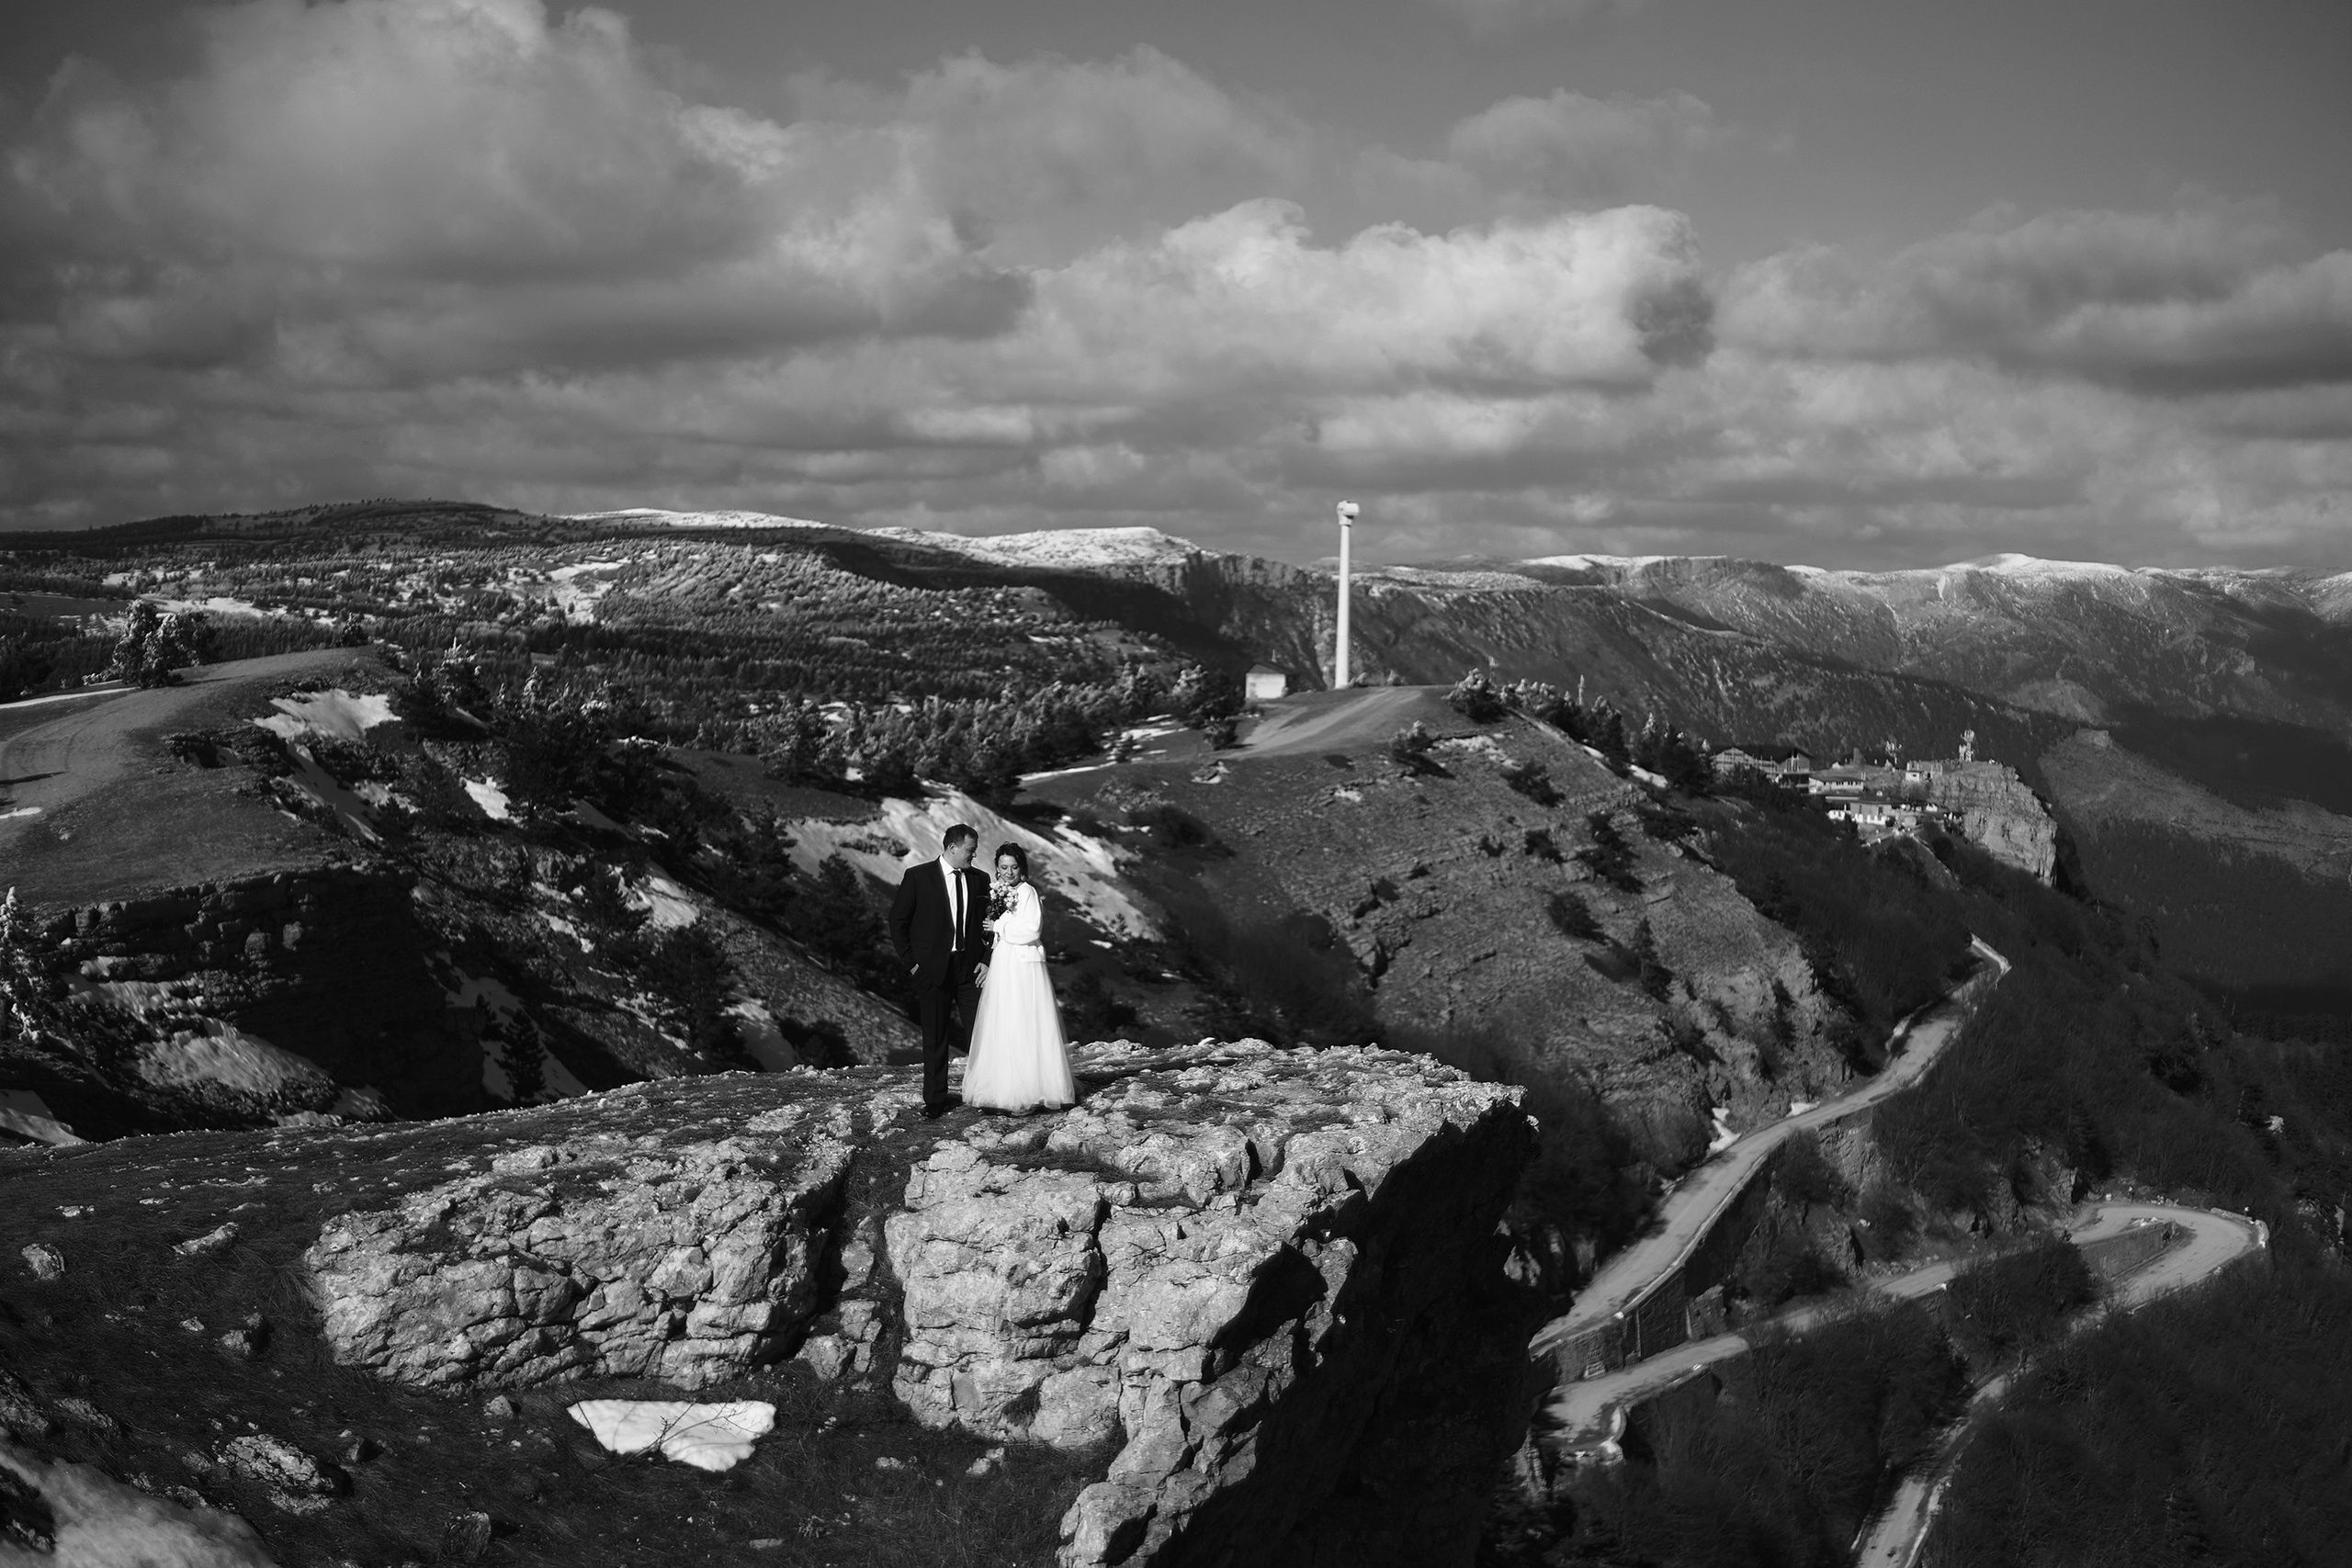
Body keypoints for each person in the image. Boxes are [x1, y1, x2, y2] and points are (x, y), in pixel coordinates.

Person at [961, 843, 1077, 1112]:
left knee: (1025, 1018)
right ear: (997, 868)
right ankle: (1005, 1085)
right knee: (1005, 1018)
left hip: (1023, 965)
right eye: (1003, 867)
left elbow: (1032, 928)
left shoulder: (1027, 892)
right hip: (1004, 961)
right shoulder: (1000, 892)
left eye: (1014, 867)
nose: (1009, 872)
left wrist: (999, 925)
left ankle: (1032, 1086)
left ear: (1021, 868)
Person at [887, 823, 991, 1119]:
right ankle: (935, 1099)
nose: (975, 854)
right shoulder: (918, 877)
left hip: (971, 970)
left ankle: (984, 1093)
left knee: (980, 1034)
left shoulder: (981, 879)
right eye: (971, 849)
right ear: (953, 847)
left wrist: (986, 957)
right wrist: (913, 965)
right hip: (931, 970)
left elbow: (991, 925)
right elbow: (897, 922)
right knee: (935, 1037)